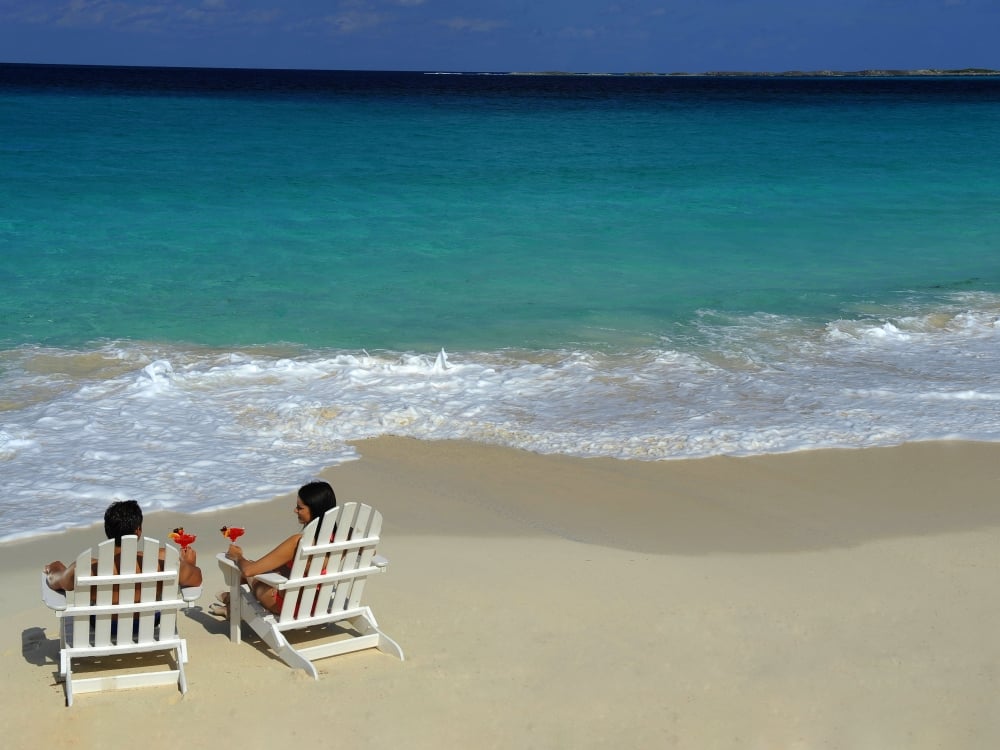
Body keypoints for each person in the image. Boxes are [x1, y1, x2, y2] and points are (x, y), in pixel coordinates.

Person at [216, 481, 337, 616]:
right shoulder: (341, 538)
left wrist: (238, 556)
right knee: (267, 569)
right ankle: (231, 605)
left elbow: (249, 571)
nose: (295, 510)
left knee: (245, 569)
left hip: (290, 606)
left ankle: (232, 606)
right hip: (321, 601)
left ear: (316, 509)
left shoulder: (297, 542)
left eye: (300, 508)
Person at [44, 499, 203, 596]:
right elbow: (196, 579)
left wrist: (55, 567)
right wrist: (189, 564)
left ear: (108, 531)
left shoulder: (85, 568)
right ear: (138, 530)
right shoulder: (165, 562)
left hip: (103, 628)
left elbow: (54, 581)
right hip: (149, 624)